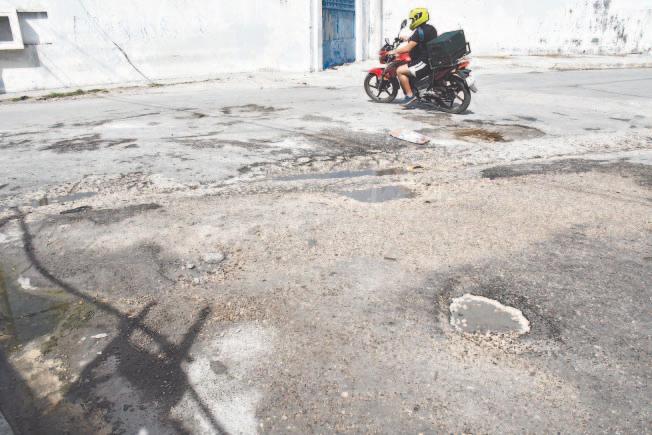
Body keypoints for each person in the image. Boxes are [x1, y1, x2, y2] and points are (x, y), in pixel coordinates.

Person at [388, 8, 438, 105]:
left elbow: (408, 48)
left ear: (418, 18)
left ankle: (410, 96)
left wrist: (393, 51)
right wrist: (406, 38)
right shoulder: (431, 28)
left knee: (400, 70)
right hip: (430, 59)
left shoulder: (419, 31)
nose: (412, 21)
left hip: (424, 62)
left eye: (413, 19)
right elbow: (419, 40)